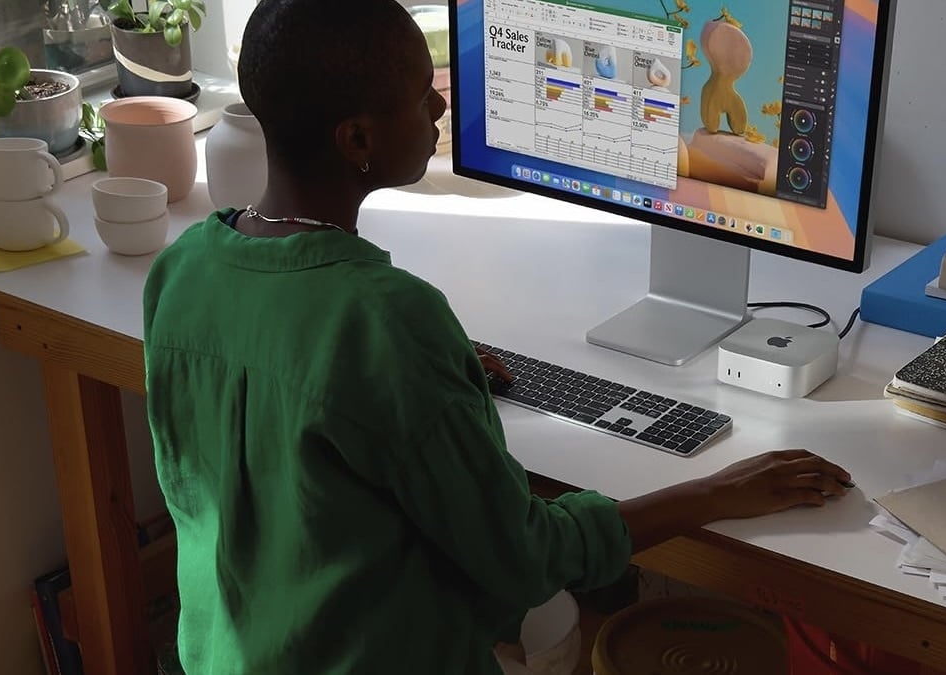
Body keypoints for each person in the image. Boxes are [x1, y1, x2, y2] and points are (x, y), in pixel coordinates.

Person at [141, 0, 853, 672]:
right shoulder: (387, 321)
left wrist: (431, 379)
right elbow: (525, 555)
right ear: (356, 139)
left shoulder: (183, 270)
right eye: (422, 94)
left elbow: (289, 407)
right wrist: (715, 491)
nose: (441, 105)